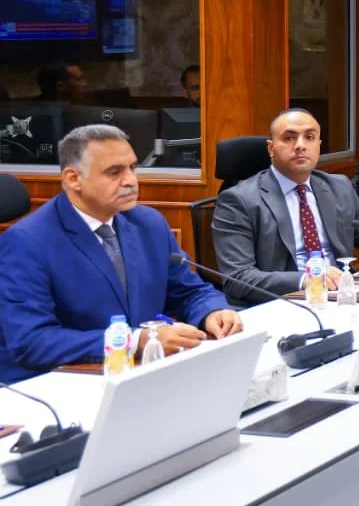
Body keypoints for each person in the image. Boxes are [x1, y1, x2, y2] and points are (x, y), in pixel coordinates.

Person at [0, 125, 241, 383]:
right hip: (58, 382)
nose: (131, 181)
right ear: (73, 179)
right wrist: (135, 340)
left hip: (138, 375)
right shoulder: (27, 242)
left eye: (133, 168)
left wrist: (212, 311)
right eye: (114, 172)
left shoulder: (148, 223)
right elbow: (32, 341)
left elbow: (188, 291)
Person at [211, 109, 359, 305]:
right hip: (283, 303)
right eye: (289, 137)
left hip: (341, 298)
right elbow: (238, 278)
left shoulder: (338, 187)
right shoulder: (238, 200)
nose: (300, 145)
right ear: (271, 148)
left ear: (318, 145)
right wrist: (308, 278)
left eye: (309, 137)